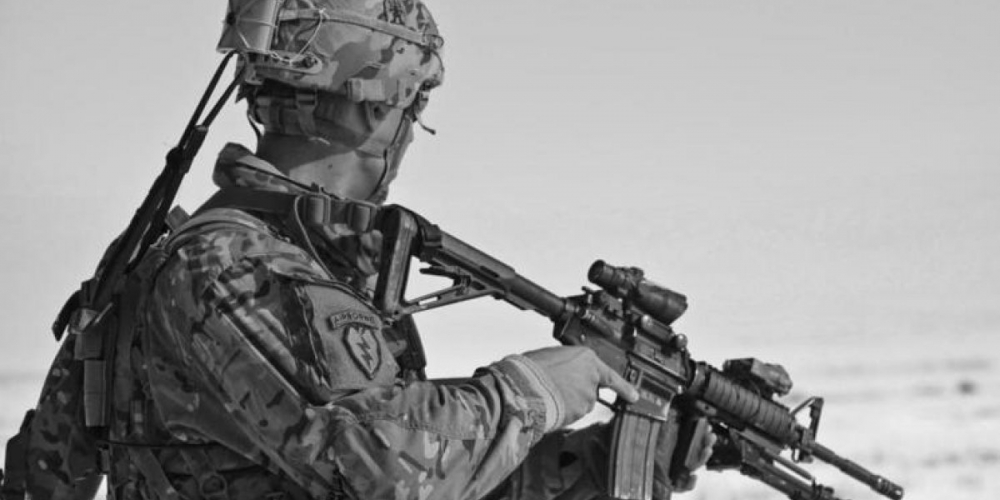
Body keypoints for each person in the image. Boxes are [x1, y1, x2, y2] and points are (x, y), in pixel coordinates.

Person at [93, 1, 715, 499]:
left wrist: (595, 462)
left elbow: (419, 475)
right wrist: (531, 392)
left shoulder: (294, 262)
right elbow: (386, 469)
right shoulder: (234, 264)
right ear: (373, 110)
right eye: (413, 104)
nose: (411, 130)